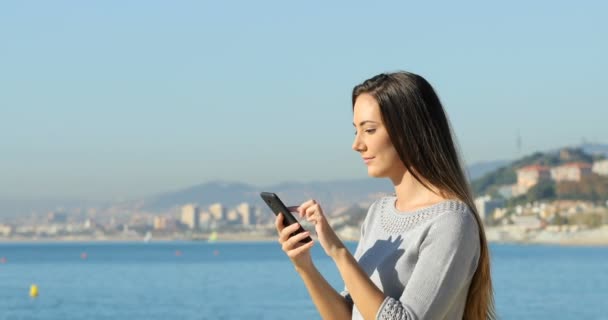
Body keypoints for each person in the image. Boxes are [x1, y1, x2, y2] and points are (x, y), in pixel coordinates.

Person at [275, 71, 496, 320]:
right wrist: (304, 266)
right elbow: (349, 316)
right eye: (355, 131)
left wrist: (337, 251)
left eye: (369, 130)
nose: (357, 144)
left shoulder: (451, 223)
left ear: (410, 130)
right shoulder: (378, 214)